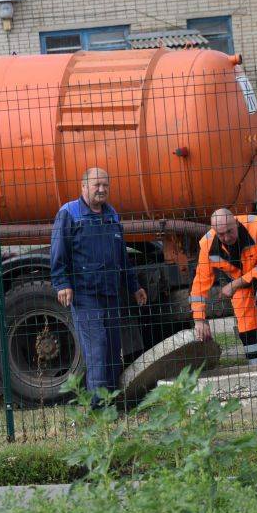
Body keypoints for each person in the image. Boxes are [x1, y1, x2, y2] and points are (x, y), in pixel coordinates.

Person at [50, 167, 148, 405]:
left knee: (114, 349)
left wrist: (134, 286)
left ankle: (111, 402)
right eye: (96, 185)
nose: (102, 189)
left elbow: (121, 256)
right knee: (97, 348)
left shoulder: (111, 214)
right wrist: (62, 283)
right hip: (85, 295)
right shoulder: (69, 213)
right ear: (83, 187)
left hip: (110, 293)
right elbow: (58, 251)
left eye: (105, 185)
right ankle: (98, 409)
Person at [190, 208, 257, 365]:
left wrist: (234, 285)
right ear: (214, 231)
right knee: (249, 336)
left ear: (236, 222)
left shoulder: (256, 225)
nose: (226, 237)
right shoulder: (207, 244)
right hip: (241, 286)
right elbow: (200, 283)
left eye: (229, 231)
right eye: (221, 234)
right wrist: (199, 319)